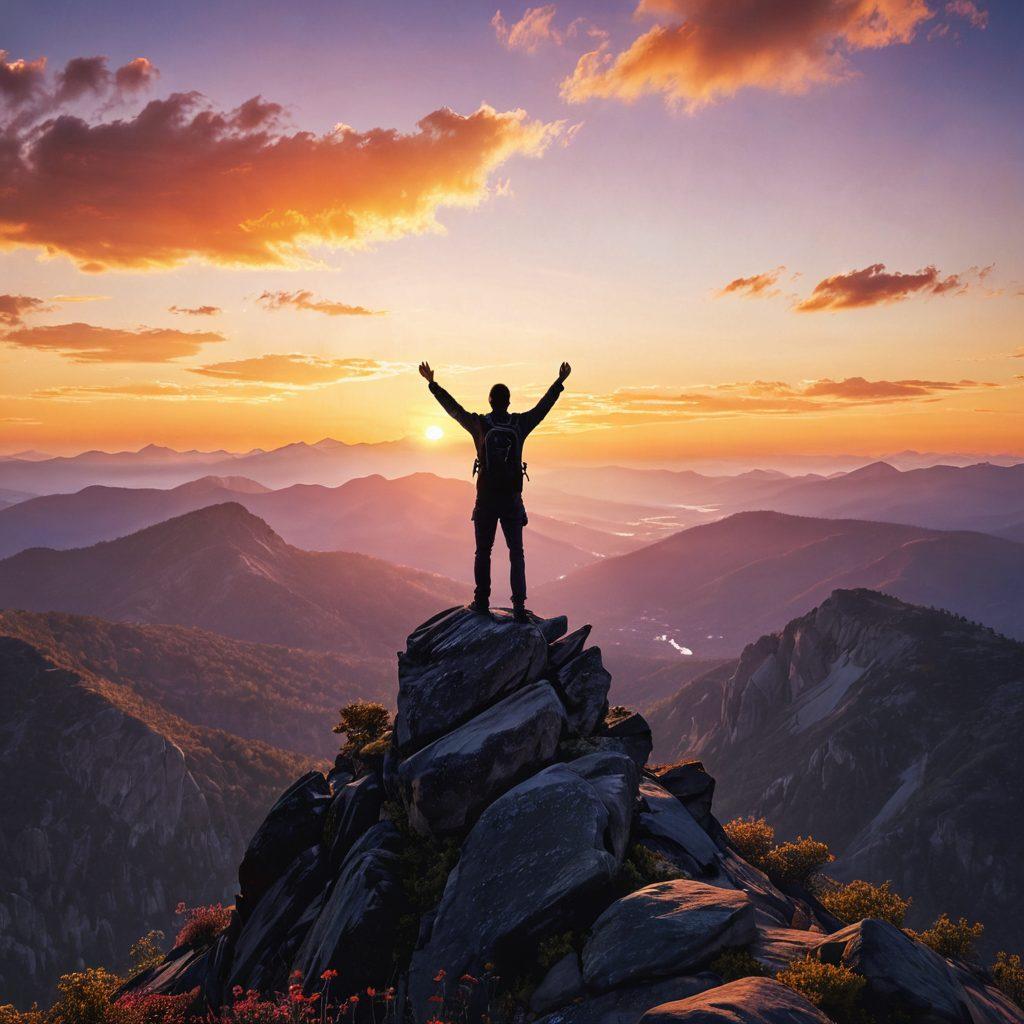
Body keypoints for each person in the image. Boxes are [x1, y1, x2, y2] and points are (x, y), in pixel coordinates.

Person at [419, 360, 571, 622]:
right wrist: (559, 383)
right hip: (512, 500)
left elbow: (454, 411)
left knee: (483, 552)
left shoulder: (480, 425)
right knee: (516, 553)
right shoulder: (519, 425)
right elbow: (542, 409)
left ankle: (481, 602)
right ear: (508, 402)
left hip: (486, 499)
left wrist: (433, 384)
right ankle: (520, 608)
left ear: (490, 401)